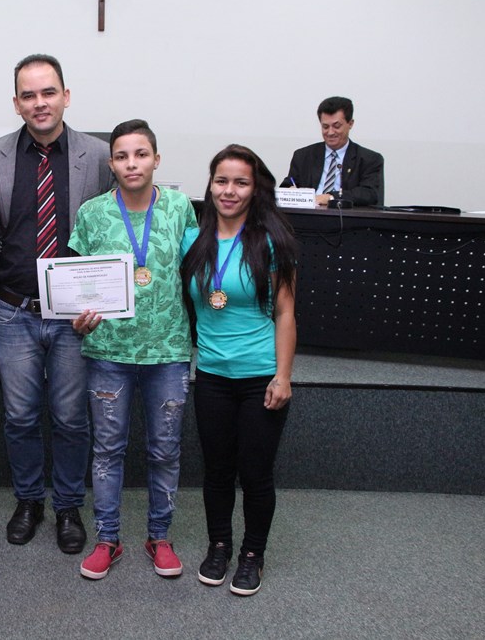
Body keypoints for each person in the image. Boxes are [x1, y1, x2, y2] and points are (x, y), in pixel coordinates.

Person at [0, 53, 112, 554]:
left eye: (48, 92)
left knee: (70, 417)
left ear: (66, 95)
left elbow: (114, 229)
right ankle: (28, 500)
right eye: (29, 95)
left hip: (72, 317)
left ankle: (66, 506)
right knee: (18, 416)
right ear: (16, 103)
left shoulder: (99, 156)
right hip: (13, 310)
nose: (40, 103)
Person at [69, 120, 197, 580]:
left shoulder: (181, 207)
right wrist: (77, 317)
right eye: (122, 156)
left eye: (141, 154)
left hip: (168, 351)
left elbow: (197, 271)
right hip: (108, 351)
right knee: (107, 450)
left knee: (165, 450)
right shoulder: (92, 213)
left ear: (156, 159)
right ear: (111, 164)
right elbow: (79, 285)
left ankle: (159, 537)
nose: (131, 163)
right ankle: (107, 539)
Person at [180, 144, 298, 597]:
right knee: (216, 470)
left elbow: (286, 313)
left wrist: (283, 376)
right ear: (210, 185)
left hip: (260, 376)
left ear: (255, 189)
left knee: (255, 472)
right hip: (211, 374)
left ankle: (252, 554)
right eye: (222, 181)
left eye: (241, 182)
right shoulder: (194, 239)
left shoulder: (272, 241)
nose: (229, 191)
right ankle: (219, 545)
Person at [279, 96, 384, 206]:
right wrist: (289, 192)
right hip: (307, 218)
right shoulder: (303, 156)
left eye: (336, 126)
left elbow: (369, 194)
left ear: (350, 124)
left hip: (347, 219)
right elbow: (288, 184)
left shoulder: (369, 159)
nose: (330, 132)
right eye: (325, 127)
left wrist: (331, 197)